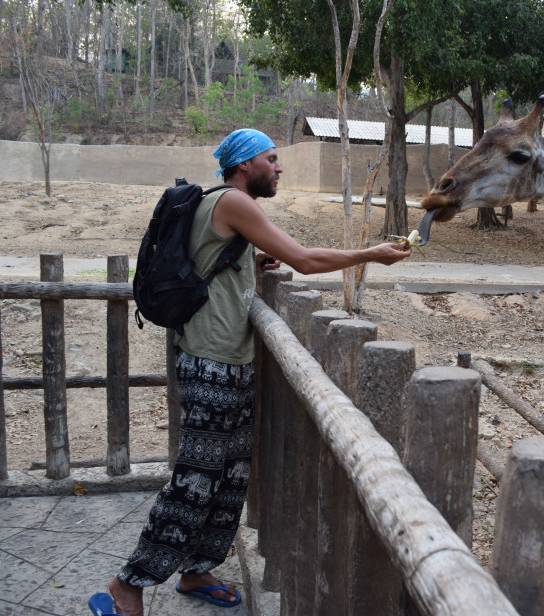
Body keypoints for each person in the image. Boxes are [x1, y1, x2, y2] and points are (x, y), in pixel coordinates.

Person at [106, 129, 410, 615]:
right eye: (272, 159)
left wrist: (252, 263)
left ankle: (198, 567)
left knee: (230, 475)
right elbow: (306, 261)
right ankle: (130, 583)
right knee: (196, 478)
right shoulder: (234, 201)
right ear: (245, 165)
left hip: (230, 361)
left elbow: (221, 258)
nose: (279, 168)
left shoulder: (227, 208)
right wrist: (370, 254)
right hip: (211, 362)